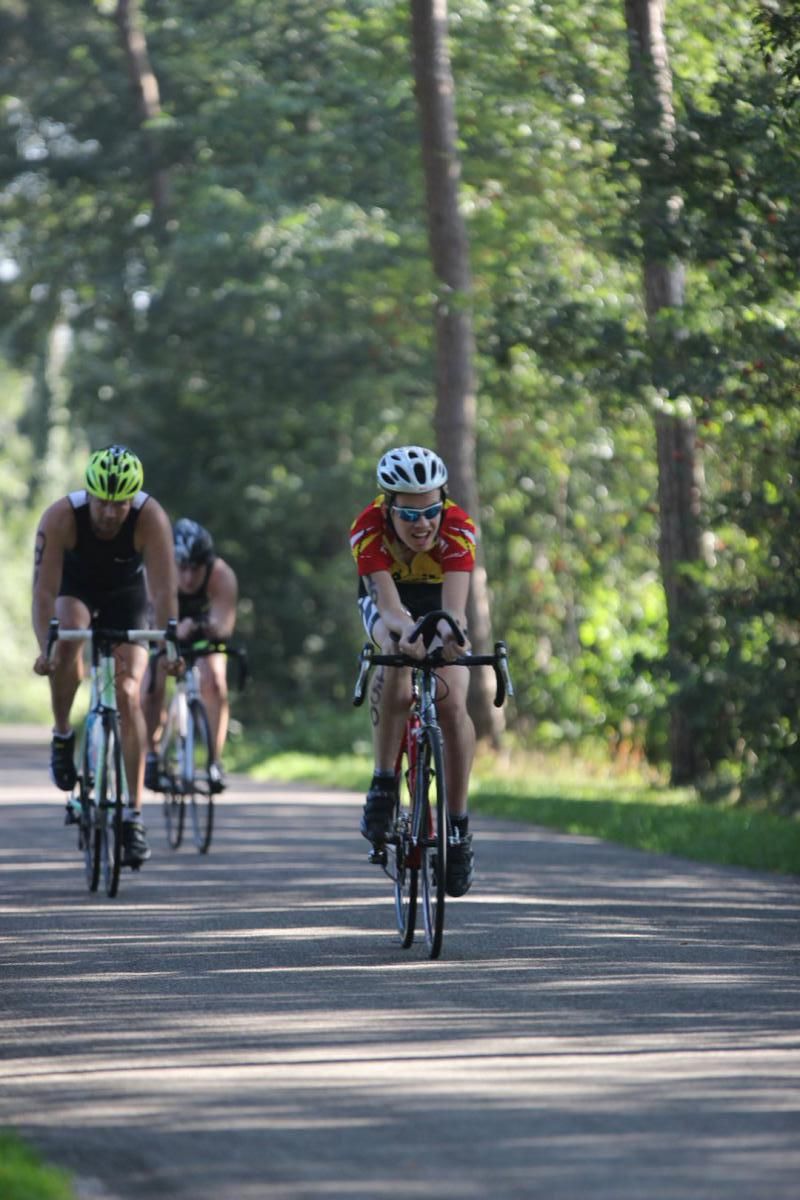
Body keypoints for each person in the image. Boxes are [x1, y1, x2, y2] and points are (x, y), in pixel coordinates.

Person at [32, 444, 180, 867]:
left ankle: (132, 816)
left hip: (127, 596)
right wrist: (46, 647)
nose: (111, 513)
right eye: (102, 501)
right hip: (74, 589)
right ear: (88, 493)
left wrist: (169, 647)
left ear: (132, 499)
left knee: (129, 692)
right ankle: (63, 734)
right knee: (67, 642)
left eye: (120, 503)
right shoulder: (61, 516)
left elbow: (165, 592)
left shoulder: (150, 517)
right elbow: (43, 592)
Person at [349, 444, 478, 897]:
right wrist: (407, 637)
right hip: (389, 605)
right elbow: (388, 610)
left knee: (454, 698)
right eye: (408, 514)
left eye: (430, 511)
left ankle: (458, 827)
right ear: (387, 508)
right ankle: (384, 782)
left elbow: (456, 614)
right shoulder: (367, 529)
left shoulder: (459, 528)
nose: (422, 524)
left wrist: (446, 640)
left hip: (439, 604)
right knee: (394, 652)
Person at [143, 518, 238, 792]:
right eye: (182, 567)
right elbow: (148, 620)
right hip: (162, 629)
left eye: (196, 568)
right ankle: (151, 753)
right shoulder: (155, 572)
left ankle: (214, 761)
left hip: (200, 633)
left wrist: (197, 626)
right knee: (151, 686)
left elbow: (223, 626)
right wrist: (169, 632)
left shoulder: (222, 575)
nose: (188, 577)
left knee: (216, 681)